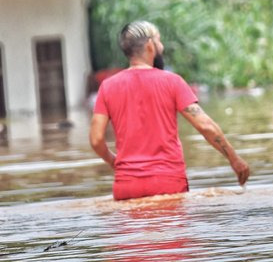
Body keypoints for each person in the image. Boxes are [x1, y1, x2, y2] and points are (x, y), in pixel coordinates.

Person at [89, 21, 250, 200]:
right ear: (150, 45)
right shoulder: (172, 82)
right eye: (159, 41)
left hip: (127, 186)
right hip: (167, 183)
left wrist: (115, 162)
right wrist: (234, 159)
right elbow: (206, 126)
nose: (162, 46)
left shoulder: (108, 87)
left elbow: (96, 140)